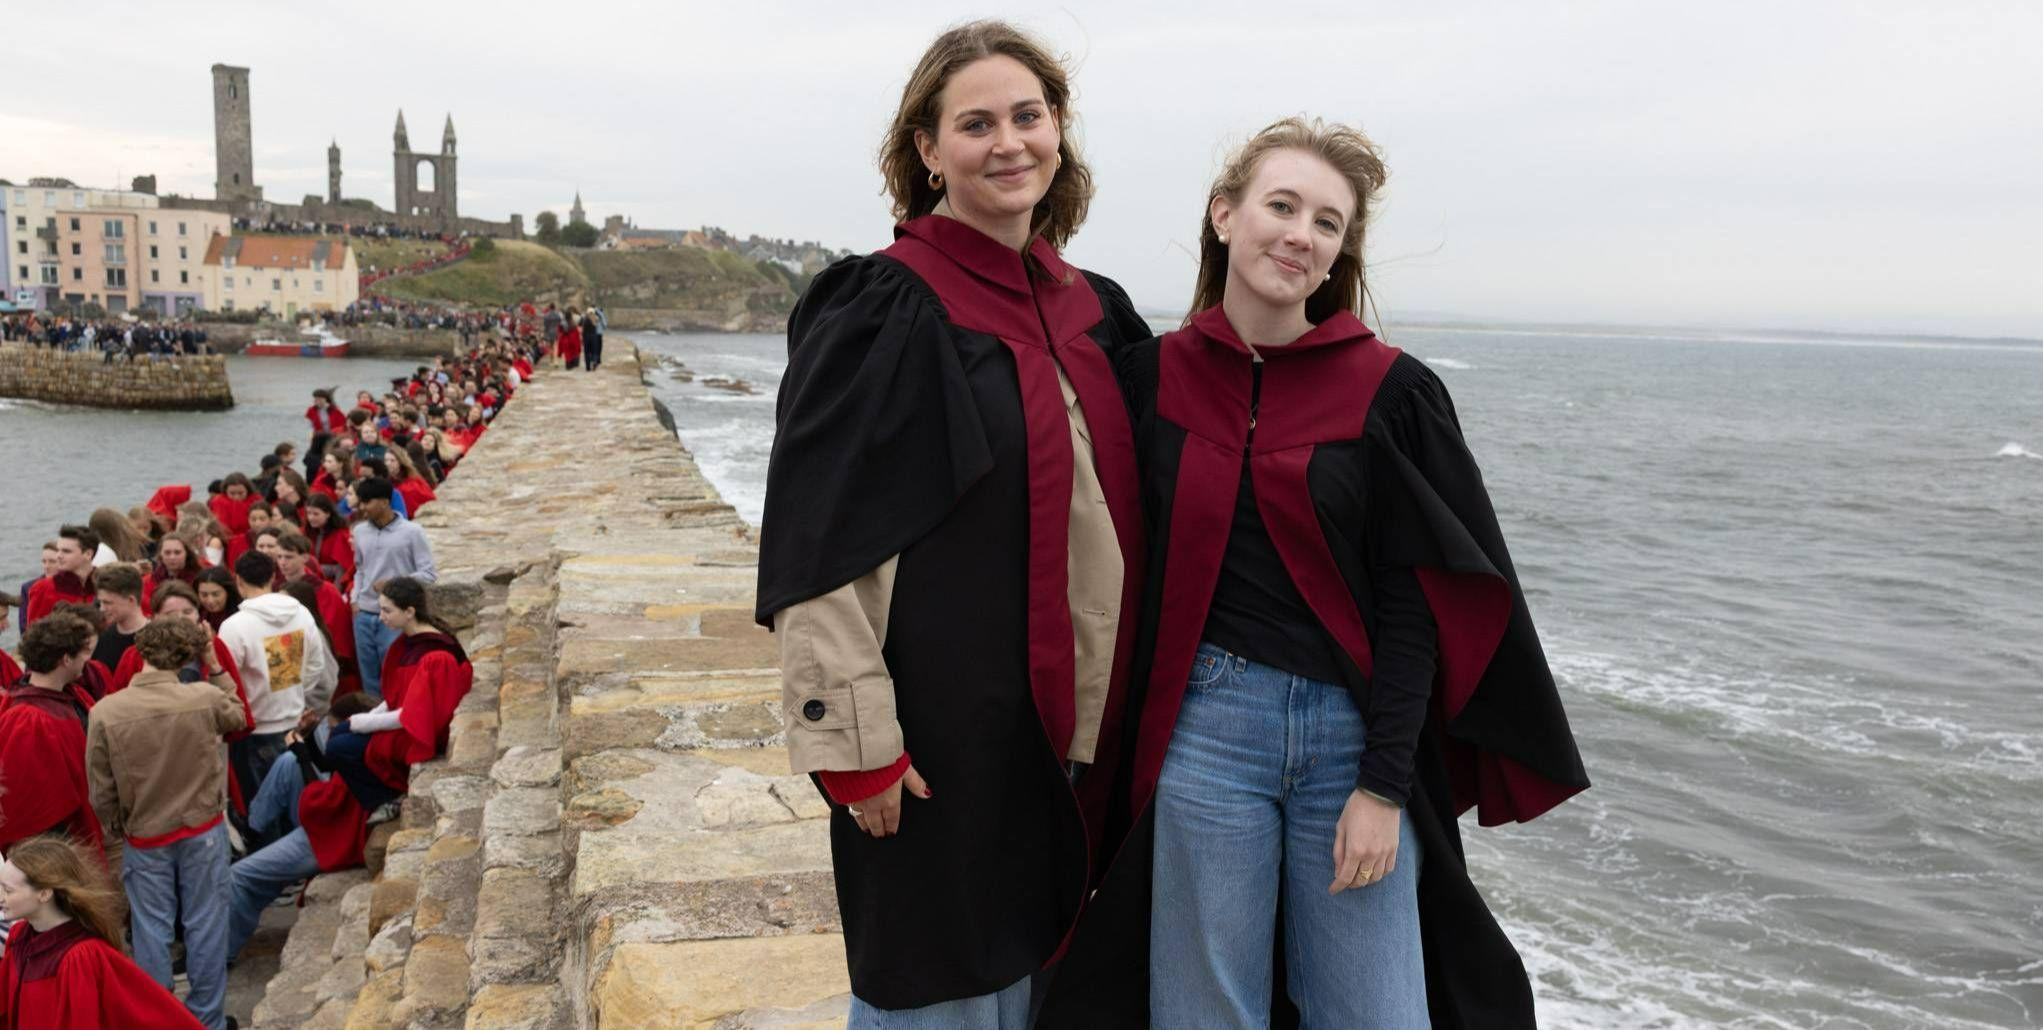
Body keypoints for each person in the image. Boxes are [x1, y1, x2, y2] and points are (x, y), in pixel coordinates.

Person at [1039, 118, 1590, 1029]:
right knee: (1204, 1011)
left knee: (1373, 1013)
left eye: (1327, 223)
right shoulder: (1149, 379)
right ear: (1224, 216)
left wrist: (1380, 788)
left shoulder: (1388, 393)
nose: (1300, 234)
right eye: (1281, 206)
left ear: (1339, 254)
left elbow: (1414, 605)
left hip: (1348, 738)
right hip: (1205, 735)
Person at [754, 20, 1149, 1024]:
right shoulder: (885, 309)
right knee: (942, 995)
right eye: (976, 123)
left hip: (1075, 741)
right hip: (938, 744)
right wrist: (854, 742)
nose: (1009, 142)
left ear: (1060, 131)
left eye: (1030, 115)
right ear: (927, 151)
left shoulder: (1098, 313)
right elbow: (817, 545)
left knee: (1057, 983)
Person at [228, 577, 471, 960]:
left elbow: (415, 713)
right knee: (297, 759)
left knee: (334, 748)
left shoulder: (434, 655)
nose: (378, 615)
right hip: (335, 801)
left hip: (344, 815)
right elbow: (393, 700)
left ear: (409, 611)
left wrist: (355, 725)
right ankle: (253, 830)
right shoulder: (413, 647)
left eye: (387, 609)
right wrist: (313, 740)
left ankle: (216, 946)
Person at [84, 616, 244, 1030]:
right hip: (202, 827)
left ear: (140, 652)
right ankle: (206, 1019)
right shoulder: (205, 697)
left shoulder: (106, 711)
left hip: (145, 831)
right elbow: (239, 717)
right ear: (188, 655)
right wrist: (216, 663)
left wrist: (116, 826)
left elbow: (100, 789)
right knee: (206, 923)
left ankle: (159, 1019)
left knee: (150, 928)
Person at [0, 836, 205, 1028]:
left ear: (44, 893)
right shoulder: (19, 937)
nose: (1, 897)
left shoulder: (80, 958)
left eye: (8, 890)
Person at [218, 552, 336, 811]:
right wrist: (295, 691)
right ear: (273, 576)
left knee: (261, 807)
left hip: (253, 729)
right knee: (296, 802)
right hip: (294, 721)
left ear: (238, 580)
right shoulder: (301, 613)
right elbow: (316, 664)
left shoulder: (233, 626)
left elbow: (226, 680)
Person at [0, 613, 104, 858]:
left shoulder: (72, 695)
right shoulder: (27, 719)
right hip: (63, 844)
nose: (88, 660)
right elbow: (31, 803)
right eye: (83, 653)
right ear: (66, 659)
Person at [348, 477, 434, 700]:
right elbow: (359, 568)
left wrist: (393, 583)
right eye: (361, 502)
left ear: (385, 502)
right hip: (363, 614)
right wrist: (354, 599)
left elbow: (429, 574)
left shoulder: (412, 532)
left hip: (395, 615)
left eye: (367, 502)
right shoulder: (359, 532)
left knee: (395, 672)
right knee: (369, 677)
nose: (362, 507)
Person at [23, 526, 98, 628]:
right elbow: (33, 635)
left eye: (66, 551)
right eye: (58, 550)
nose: (58, 555)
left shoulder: (107, 584)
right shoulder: (43, 589)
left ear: (88, 554)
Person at [88, 564, 149, 669]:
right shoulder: (100, 637)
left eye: (108, 603)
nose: (102, 609)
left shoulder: (155, 639)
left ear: (131, 600)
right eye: (100, 602)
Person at [194, 566, 239, 632]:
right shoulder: (196, 613)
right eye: (204, 595)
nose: (210, 601)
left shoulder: (239, 616)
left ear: (228, 592)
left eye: (216, 594)